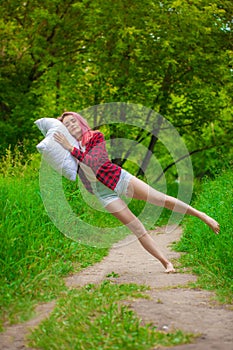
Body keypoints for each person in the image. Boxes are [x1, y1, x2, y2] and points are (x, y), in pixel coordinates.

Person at [54, 111, 220, 273]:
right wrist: (68, 148)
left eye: (73, 121)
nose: (71, 125)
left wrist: (70, 148)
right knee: (137, 228)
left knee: (161, 199)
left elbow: (96, 162)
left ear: (80, 122)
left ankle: (202, 216)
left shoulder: (95, 136)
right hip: (103, 193)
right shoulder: (69, 150)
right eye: (66, 124)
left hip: (119, 179)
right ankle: (166, 262)